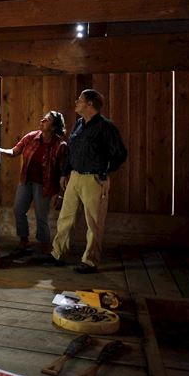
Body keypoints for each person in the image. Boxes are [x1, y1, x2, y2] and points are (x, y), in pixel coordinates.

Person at [45, 89, 127, 274]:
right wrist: (65, 173)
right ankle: (58, 254)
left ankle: (90, 261)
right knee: (65, 218)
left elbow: (120, 154)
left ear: (90, 104)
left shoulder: (106, 127)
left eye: (80, 100)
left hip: (94, 179)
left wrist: (105, 172)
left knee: (94, 222)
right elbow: (71, 152)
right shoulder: (78, 125)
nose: (76, 102)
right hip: (74, 177)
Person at [0, 111, 68, 256]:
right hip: (26, 180)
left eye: (47, 120)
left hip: (44, 185)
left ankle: (44, 245)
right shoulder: (31, 137)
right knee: (18, 210)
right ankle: (24, 241)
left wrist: (61, 195)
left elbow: (63, 172)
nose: (42, 120)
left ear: (54, 127)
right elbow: (14, 151)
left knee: (41, 216)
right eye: (43, 118)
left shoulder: (60, 145)